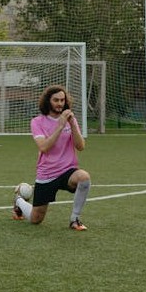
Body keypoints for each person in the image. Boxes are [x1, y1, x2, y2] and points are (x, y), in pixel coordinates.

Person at [12, 84, 92, 231]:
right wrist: (60, 126)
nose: (60, 103)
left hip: (68, 170)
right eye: (56, 100)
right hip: (47, 173)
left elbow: (80, 146)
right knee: (36, 219)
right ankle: (18, 200)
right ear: (48, 101)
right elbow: (44, 147)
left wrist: (72, 124)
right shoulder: (37, 122)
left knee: (84, 177)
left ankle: (74, 219)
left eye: (62, 100)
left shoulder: (70, 120)